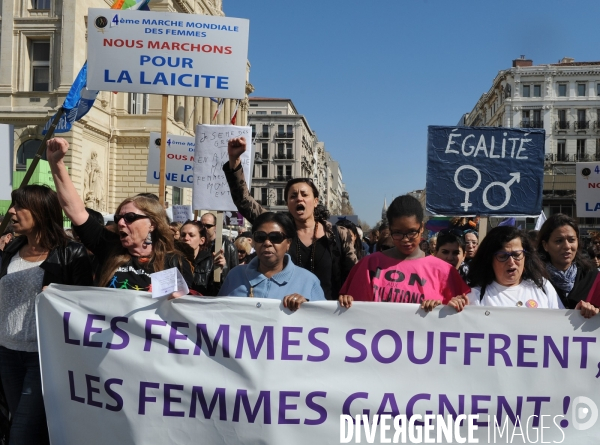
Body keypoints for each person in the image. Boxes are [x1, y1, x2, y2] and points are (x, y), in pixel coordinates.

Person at [0, 185, 93, 444]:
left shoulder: (71, 253)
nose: (12, 212)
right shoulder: (10, 249)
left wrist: (61, 296)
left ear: (40, 211)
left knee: (21, 434)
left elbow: (85, 306)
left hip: (43, 359)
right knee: (27, 429)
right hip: (7, 353)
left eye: (19, 206)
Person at [46, 137, 193, 292]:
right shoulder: (109, 247)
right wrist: (56, 163)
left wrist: (178, 297)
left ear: (152, 224)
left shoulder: (174, 262)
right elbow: (75, 210)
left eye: (130, 218)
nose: (121, 223)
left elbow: (185, 309)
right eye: (118, 218)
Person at [223, 137, 356, 300]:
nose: (299, 199)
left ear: (315, 201)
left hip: (325, 316)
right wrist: (234, 161)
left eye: (304, 195)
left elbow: (354, 275)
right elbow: (244, 201)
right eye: (293, 196)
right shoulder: (277, 229)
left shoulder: (339, 235)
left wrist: (348, 297)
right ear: (287, 203)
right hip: (284, 312)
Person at [338, 195, 470, 310]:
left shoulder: (445, 272)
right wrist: (346, 301)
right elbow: (353, 312)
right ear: (390, 230)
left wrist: (449, 307)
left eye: (412, 232)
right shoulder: (369, 265)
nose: (405, 239)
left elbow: (460, 320)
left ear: (422, 228)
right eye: (398, 233)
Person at [448, 226, 597, 317]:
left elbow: (561, 327)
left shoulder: (542, 287)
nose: (511, 262)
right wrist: (453, 310)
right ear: (489, 259)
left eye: (517, 255)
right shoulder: (476, 296)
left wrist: (577, 315)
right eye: (503, 256)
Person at [218, 212, 325, 308]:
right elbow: (217, 315)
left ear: (288, 243)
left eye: (275, 237)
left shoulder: (308, 281)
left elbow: (324, 320)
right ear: (254, 242)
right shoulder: (235, 276)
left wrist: (308, 309)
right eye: (260, 237)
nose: (267, 243)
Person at [537, 214, 598, 309]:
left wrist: (594, 310)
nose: (567, 246)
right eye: (559, 241)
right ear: (545, 245)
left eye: (571, 240)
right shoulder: (534, 279)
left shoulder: (592, 276)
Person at [199, 212, 238, 294]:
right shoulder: (197, 244)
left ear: (215, 227)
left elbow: (235, 274)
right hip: (201, 292)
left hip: (219, 292)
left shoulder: (229, 246)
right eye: (202, 225)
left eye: (208, 226)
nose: (204, 228)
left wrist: (223, 267)